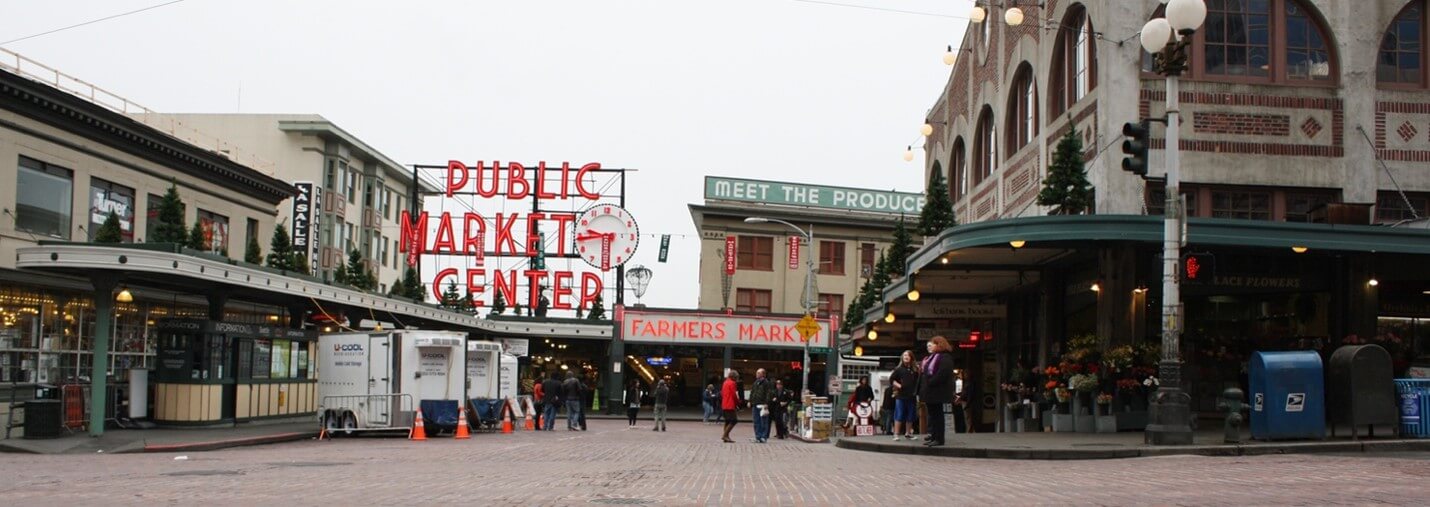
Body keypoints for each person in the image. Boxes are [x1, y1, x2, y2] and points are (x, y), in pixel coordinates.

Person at [919, 336, 955, 447]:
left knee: (937, 415)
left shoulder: (945, 358)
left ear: (939, 345)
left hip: (938, 391)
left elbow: (942, 374)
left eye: (933, 344)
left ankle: (939, 438)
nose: (931, 346)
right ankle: (933, 436)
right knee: (932, 415)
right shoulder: (932, 357)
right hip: (930, 391)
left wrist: (931, 382)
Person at [890, 350, 919, 440]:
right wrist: (899, 386)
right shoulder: (898, 369)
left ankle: (908, 433)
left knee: (911, 415)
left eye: (908, 355)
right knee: (899, 414)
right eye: (904, 355)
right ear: (902, 357)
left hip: (912, 395)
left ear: (911, 358)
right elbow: (892, 379)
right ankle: (896, 434)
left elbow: (918, 382)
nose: (906, 357)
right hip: (901, 396)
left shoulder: (915, 370)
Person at [748, 368, 773, 443]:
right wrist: (750, 401)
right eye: (757, 373)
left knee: (763, 421)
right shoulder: (756, 382)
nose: (757, 374)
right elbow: (752, 392)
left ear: (763, 374)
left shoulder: (766, 383)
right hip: (755, 404)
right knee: (756, 421)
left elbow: (769, 393)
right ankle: (758, 436)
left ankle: (763, 436)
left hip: (762, 404)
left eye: (758, 373)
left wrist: (766, 403)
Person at [720, 369, 740, 443]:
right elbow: (734, 395)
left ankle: (726, 436)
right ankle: (725, 435)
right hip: (730, 404)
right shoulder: (732, 383)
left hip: (724, 404)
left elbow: (722, 393)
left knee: (727, 421)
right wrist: (738, 403)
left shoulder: (725, 382)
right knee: (734, 420)